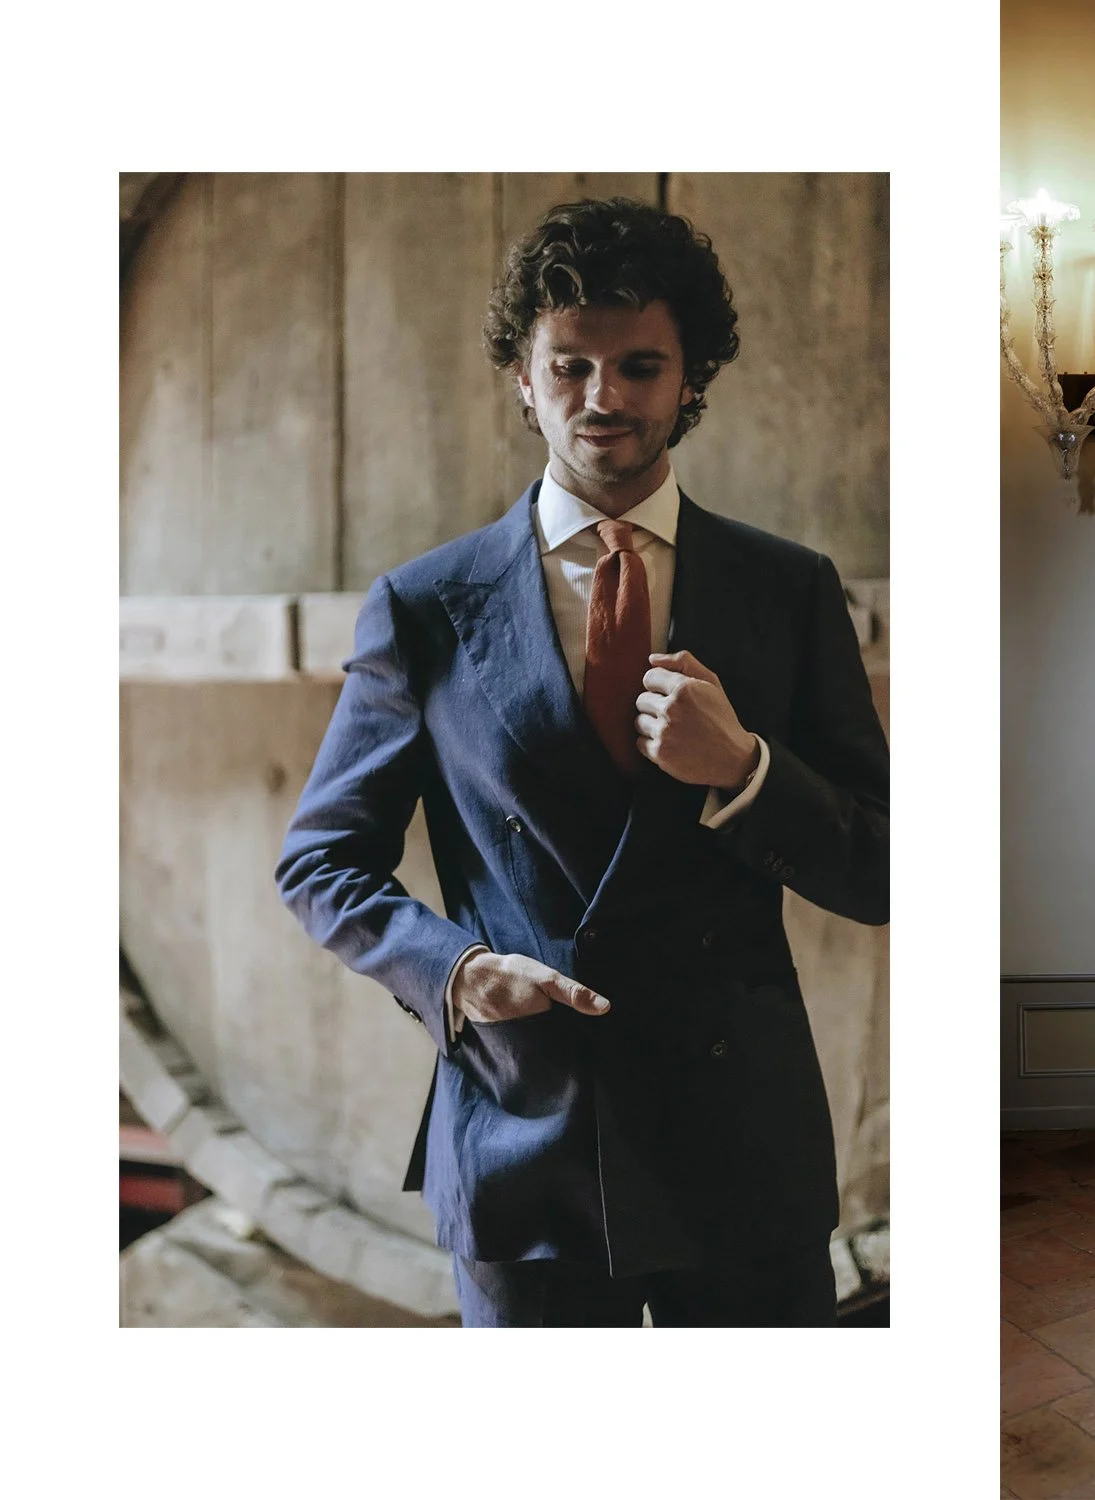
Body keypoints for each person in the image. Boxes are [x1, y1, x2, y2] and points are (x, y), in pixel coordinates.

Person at [274, 198, 889, 1327]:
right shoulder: (424, 605)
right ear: (521, 374)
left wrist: (746, 770)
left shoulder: (788, 588)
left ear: (690, 377)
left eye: (639, 366)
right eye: (570, 366)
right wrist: (454, 973)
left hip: (738, 1140)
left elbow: (885, 867)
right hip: (526, 1128)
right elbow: (320, 864)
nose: (602, 398)